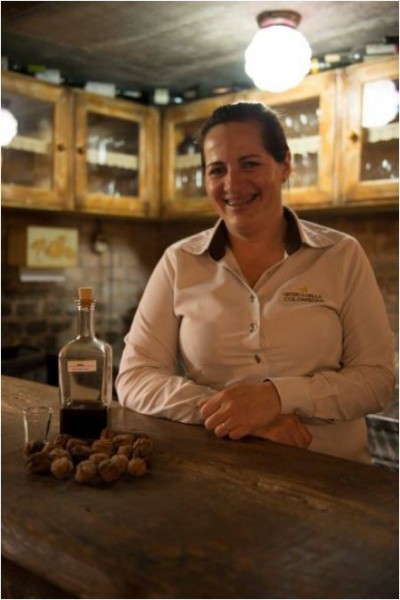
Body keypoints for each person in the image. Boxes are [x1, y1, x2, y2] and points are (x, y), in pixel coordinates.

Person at [116, 101, 395, 464]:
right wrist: (233, 414)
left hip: (331, 476)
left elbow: (376, 380)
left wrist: (277, 398)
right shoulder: (179, 261)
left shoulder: (341, 255)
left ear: (285, 166)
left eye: (249, 164)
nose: (232, 184)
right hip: (221, 476)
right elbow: (135, 378)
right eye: (217, 170)